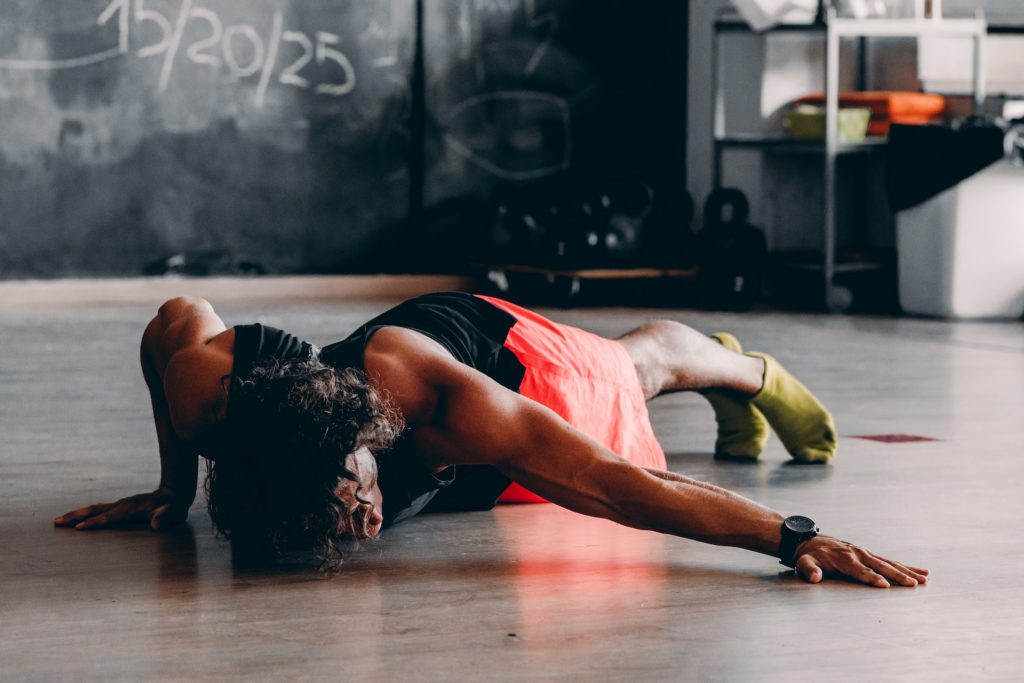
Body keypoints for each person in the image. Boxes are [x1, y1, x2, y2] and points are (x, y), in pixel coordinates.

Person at [55, 292, 927, 588]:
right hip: (456, 463)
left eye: (360, 489)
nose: (363, 515)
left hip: (497, 364)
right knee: (513, 482)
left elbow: (615, 483)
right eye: (345, 513)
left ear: (365, 440)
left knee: (631, 373)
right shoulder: (205, 404)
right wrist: (173, 488)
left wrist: (795, 536)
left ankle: (746, 371)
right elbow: (166, 324)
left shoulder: (429, 398)